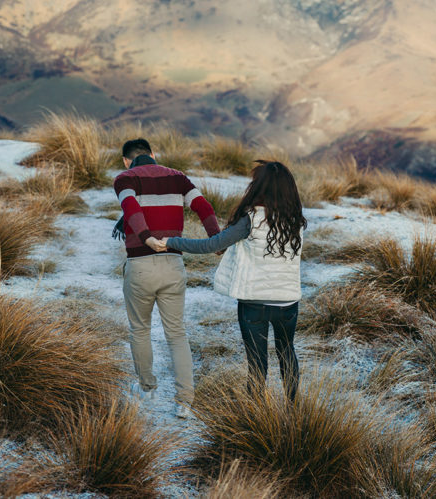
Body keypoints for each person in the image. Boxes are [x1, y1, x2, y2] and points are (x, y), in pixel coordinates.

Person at [154, 160, 306, 401]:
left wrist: (171, 241)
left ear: (258, 188)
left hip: (254, 303)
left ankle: (255, 415)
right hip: (288, 302)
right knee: (287, 353)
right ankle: (294, 407)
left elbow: (211, 245)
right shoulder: (296, 221)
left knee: (257, 363)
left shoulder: (251, 219)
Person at [113, 138, 220, 419]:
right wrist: (216, 240)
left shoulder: (125, 178)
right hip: (174, 262)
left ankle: (147, 389)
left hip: (140, 265)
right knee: (176, 333)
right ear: (153, 155)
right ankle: (184, 402)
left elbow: (131, 210)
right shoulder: (178, 178)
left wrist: (146, 238)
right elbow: (204, 207)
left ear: (127, 160)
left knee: (140, 330)